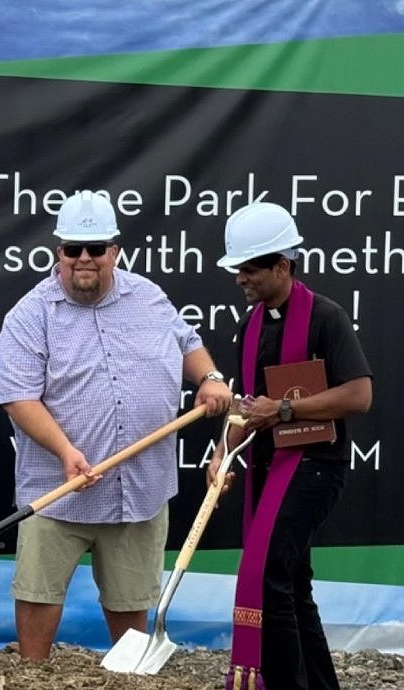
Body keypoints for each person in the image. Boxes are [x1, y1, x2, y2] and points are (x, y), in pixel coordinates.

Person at [0, 190, 232, 661]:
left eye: (96, 248)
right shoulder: (29, 314)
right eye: (73, 249)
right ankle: (33, 677)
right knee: (38, 594)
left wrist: (210, 376)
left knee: (131, 600)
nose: (84, 259)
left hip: (137, 489)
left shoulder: (150, 297)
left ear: (115, 251)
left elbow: (188, 342)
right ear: (58, 251)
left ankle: (126, 675)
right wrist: (65, 451)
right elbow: (18, 398)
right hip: (58, 490)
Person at [211, 202, 372, 690]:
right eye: (237, 268)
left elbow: (359, 395)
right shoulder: (250, 324)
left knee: (268, 580)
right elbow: (247, 407)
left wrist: (282, 410)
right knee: (293, 585)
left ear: (283, 265)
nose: (240, 278)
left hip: (315, 467)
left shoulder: (326, 317)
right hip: (267, 464)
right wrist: (222, 453)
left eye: (250, 268)